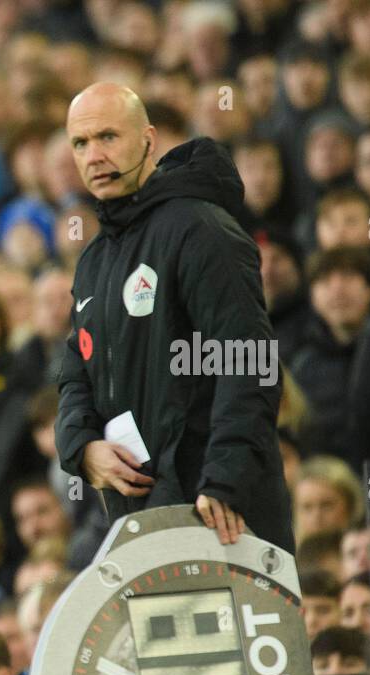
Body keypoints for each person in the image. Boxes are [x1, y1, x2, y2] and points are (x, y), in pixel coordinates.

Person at [56, 83, 294, 552]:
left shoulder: (200, 229)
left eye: (108, 137)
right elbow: (75, 371)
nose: (94, 156)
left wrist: (225, 479)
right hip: (141, 516)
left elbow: (247, 362)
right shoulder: (95, 259)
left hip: (218, 510)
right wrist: (81, 447)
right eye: (80, 144)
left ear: (148, 138)